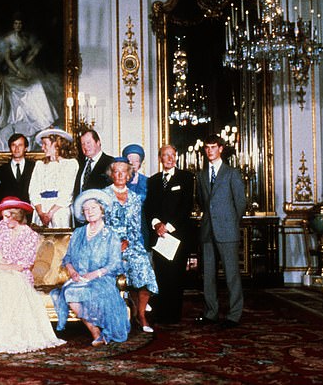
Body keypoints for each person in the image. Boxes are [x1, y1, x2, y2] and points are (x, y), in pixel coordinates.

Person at [0, 197, 66, 353]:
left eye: (7, 216)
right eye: (3, 216)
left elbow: (20, 266)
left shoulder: (30, 236)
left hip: (18, 274)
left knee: (7, 287)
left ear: (17, 215)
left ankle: (8, 339)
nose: (4, 220)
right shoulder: (1, 227)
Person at [51, 189, 130, 346]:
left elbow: (114, 264)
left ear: (102, 210)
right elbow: (67, 258)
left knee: (86, 292)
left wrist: (94, 274)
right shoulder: (78, 233)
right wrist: (72, 272)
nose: (90, 212)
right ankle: (95, 331)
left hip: (102, 279)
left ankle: (102, 331)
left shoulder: (111, 234)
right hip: (79, 278)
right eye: (86, 209)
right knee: (69, 292)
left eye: (93, 208)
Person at [0, 14, 60, 151]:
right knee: (24, 91)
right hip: (11, 72)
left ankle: (44, 119)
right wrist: (17, 72)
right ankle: (22, 119)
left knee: (36, 85)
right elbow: (7, 59)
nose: (18, 26)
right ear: (13, 25)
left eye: (20, 24)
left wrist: (34, 53)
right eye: (16, 24)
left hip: (24, 70)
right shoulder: (8, 39)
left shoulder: (24, 39)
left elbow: (26, 59)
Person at [196, 134, 246, 329]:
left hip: (227, 230)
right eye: (207, 147)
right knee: (208, 275)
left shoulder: (231, 173)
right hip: (208, 230)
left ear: (221, 149)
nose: (210, 150)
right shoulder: (201, 175)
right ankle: (211, 312)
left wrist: (231, 222)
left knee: (232, 274)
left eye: (213, 147)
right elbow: (202, 202)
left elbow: (240, 202)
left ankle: (234, 315)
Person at [103, 158, 158, 333]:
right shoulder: (103, 195)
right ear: (111, 175)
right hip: (108, 245)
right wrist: (114, 243)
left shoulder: (134, 198)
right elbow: (101, 225)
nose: (119, 175)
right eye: (116, 172)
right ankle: (112, 318)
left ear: (129, 175)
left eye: (123, 172)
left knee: (144, 270)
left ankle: (140, 315)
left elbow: (136, 226)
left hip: (131, 244)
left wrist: (127, 242)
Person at [144, 145, 195, 324]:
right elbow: (149, 207)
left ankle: (173, 315)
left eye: (173, 155)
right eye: (166, 155)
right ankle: (161, 314)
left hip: (177, 235)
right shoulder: (153, 181)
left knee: (176, 276)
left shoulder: (186, 178)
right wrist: (156, 224)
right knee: (161, 276)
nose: (170, 158)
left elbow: (186, 206)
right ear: (160, 158)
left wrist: (168, 226)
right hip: (158, 236)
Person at [28, 128, 79, 228]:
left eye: (45, 144)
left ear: (56, 144)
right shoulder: (40, 165)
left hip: (60, 211)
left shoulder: (70, 164)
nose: (42, 148)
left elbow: (67, 193)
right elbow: (33, 190)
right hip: (40, 211)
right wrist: (41, 213)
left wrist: (50, 214)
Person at [72, 130, 114, 225]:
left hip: (101, 220)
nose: (85, 146)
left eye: (88, 142)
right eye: (83, 144)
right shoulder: (80, 164)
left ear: (98, 142)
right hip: (82, 218)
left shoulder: (110, 163)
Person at [122, 143, 149, 245]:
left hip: (143, 227)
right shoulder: (119, 181)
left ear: (140, 163)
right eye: (130, 160)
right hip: (124, 228)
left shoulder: (148, 182)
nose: (133, 163)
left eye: (136, 161)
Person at [0, 133, 35, 204]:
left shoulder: (34, 168)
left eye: (20, 145)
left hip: (30, 211)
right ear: (10, 148)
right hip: (8, 211)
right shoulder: (0, 170)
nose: (17, 149)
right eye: (13, 145)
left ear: (26, 148)